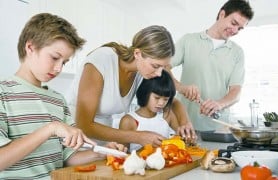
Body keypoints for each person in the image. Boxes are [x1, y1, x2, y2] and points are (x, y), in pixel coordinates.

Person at [0, 13, 125, 179]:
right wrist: (50, 129)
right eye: (54, 58)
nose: (59, 68)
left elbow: (67, 158)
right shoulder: (3, 94)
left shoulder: (58, 100)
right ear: (30, 48)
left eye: (64, 62)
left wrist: (102, 153)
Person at [67, 25, 196, 148]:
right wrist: (137, 137)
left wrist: (184, 122)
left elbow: (172, 101)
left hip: (104, 144)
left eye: (163, 67)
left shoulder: (144, 71)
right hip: (75, 141)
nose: (159, 73)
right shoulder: (102, 60)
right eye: (156, 66)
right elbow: (84, 125)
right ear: (137, 54)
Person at [170, 0, 254, 131]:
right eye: (234, 23)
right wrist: (181, 88)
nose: (235, 30)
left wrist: (219, 104)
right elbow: (163, 67)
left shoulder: (237, 52)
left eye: (240, 28)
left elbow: (236, 91)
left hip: (217, 129)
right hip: (184, 124)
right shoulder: (188, 40)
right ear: (222, 14)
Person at [119, 70, 185, 152]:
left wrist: (187, 137)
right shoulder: (128, 121)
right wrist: (147, 148)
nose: (161, 103)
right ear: (145, 93)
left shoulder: (167, 115)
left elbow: (182, 137)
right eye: (157, 98)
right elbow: (122, 153)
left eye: (166, 99)